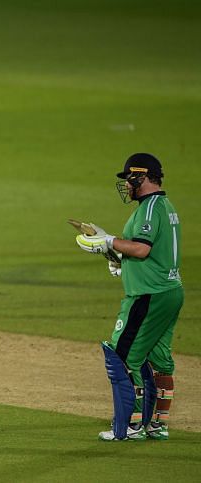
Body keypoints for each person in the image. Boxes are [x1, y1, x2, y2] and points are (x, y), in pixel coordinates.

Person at [75, 153, 182, 441]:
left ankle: (130, 427)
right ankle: (158, 425)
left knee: (122, 358)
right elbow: (150, 253)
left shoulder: (149, 210)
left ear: (141, 177)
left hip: (148, 295)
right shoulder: (165, 206)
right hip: (169, 291)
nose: (127, 185)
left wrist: (108, 242)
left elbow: (143, 248)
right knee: (160, 359)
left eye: (129, 179)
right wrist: (119, 258)